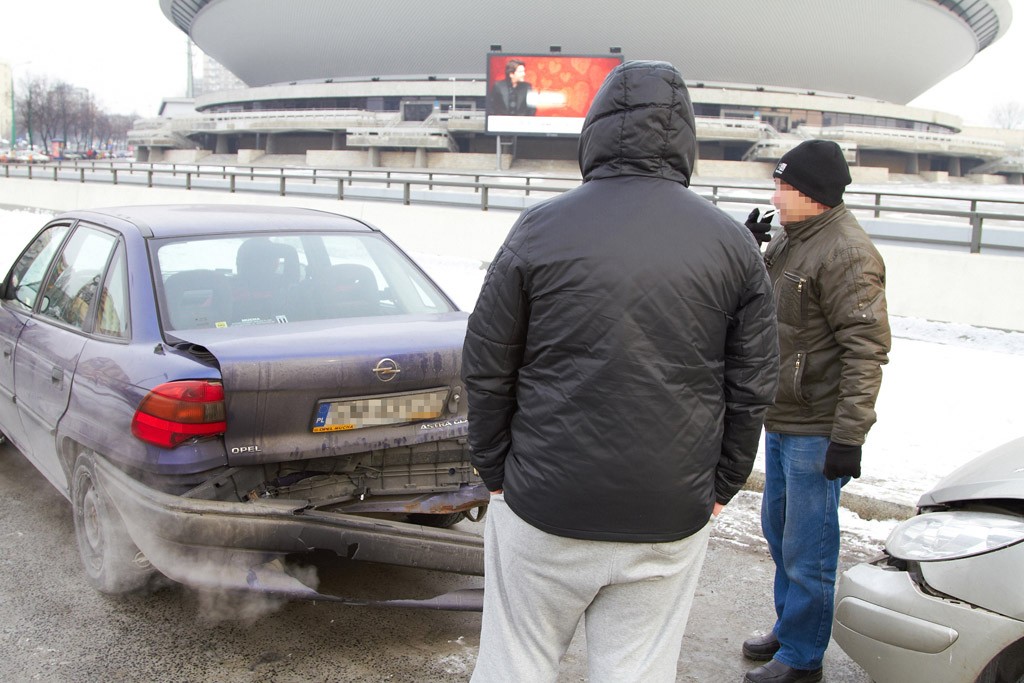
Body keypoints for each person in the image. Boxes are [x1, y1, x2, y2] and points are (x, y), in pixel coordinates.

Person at [463, 60, 779, 682]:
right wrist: (723, 484)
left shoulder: (540, 228)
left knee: (516, 664)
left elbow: (487, 362)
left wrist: (495, 469)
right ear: (685, 137)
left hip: (545, 500)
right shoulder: (731, 244)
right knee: (636, 671)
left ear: (596, 129)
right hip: (668, 507)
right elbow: (751, 384)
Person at [741, 140, 891, 683]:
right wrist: (750, 248)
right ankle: (790, 628)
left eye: (782, 186)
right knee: (780, 535)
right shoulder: (794, 238)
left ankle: (803, 658)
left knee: (810, 547)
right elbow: (772, 305)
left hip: (818, 427)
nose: (774, 196)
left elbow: (866, 350)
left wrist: (848, 436)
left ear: (812, 195)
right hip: (783, 416)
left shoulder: (847, 252)